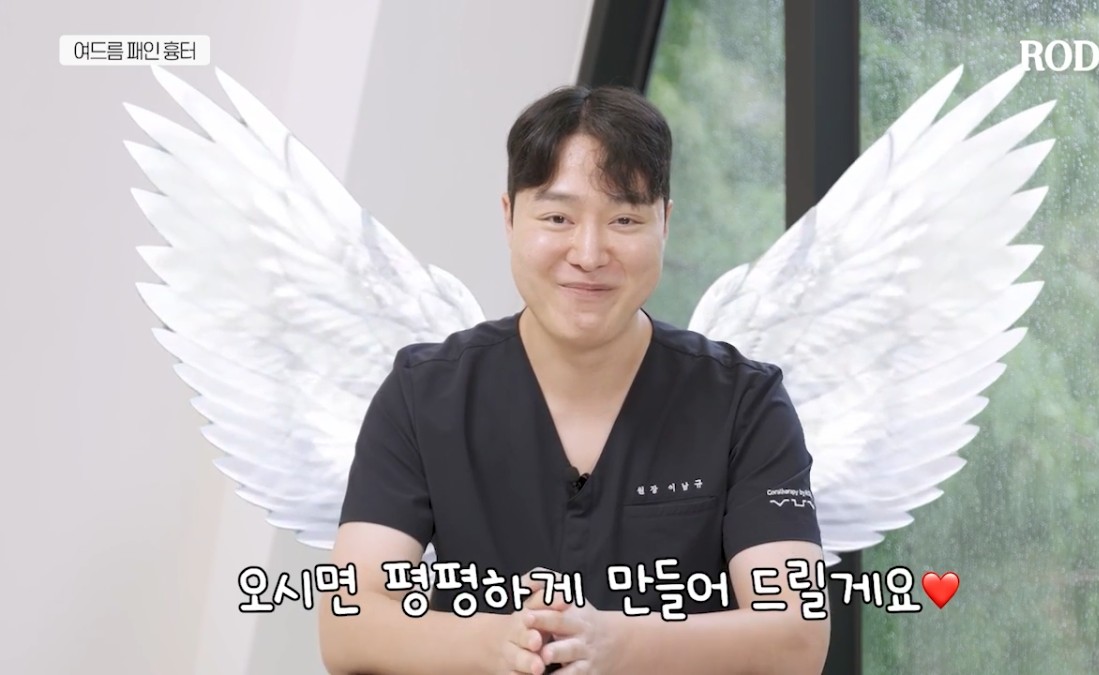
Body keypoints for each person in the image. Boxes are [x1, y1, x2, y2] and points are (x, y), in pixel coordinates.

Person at [318, 83, 830, 675]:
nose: (588, 253)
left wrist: (617, 644)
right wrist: (497, 643)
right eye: (557, 217)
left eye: (624, 219)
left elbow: (797, 634)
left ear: (665, 223)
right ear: (509, 217)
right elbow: (349, 621)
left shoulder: (745, 403)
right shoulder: (424, 392)